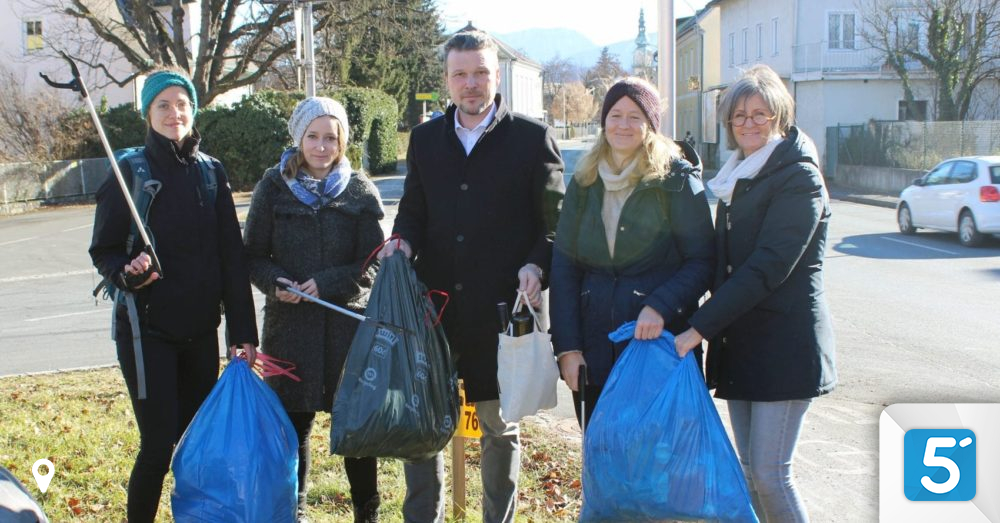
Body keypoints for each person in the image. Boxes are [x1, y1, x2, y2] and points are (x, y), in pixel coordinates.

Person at [378, 29, 565, 523]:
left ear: (495, 76)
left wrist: (535, 265)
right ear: (446, 79)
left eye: (480, 72)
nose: (471, 83)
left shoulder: (530, 139)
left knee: (499, 429)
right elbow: (412, 213)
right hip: (434, 311)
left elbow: (554, 226)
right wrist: (402, 241)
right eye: (460, 74)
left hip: (502, 313)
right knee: (424, 426)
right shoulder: (424, 140)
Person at [89, 68, 258, 523]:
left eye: (181, 104)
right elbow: (103, 249)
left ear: (193, 110)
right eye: (162, 104)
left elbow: (231, 259)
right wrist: (128, 273)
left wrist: (243, 331)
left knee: (198, 441)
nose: (173, 113)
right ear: (148, 112)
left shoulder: (211, 173)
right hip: (147, 334)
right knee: (159, 443)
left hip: (202, 329)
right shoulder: (129, 171)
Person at [674, 63, 837, 523]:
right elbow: (720, 264)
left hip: (784, 347)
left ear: (780, 117)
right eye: (739, 115)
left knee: (771, 474)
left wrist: (697, 328)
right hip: (745, 343)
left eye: (760, 114)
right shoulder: (739, 177)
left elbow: (768, 267)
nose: (748, 124)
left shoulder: (798, 178)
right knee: (748, 474)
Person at [243, 97, 385, 523]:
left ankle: (367, 511)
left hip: (347, 328)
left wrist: (329, 282)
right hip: (290, 329)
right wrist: (275, 282)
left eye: (330, 137)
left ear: (342, 141)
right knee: (293, 427)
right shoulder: (272, 186)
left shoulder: (359, 188)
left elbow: (374, 260)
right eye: (313, 136)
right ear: (298, 138)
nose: (321, 146)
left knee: (356, 428)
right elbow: (251, 255)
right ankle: (294, 510)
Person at [549, 77, 715, 428]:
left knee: (658, 466)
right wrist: (567, 348)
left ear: (651, 125)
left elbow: (703, 260)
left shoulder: (676, 181)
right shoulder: (584, 181)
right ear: (604, 121)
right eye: (615, 114)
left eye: (635, 116)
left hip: (658, 349)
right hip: (594, 353)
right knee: (603, 458)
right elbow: (565, 267)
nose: (623, 124)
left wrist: (660, 305)